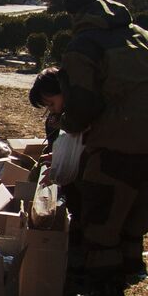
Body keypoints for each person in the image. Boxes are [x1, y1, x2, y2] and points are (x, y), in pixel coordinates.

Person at [56, 0, 148, 296]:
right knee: (133, 220)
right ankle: (128, 274)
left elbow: (83, 105)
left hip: (120, 143)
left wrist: (64, 128)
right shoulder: (144, 36)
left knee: (102, 223)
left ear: (73, 12)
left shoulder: (84, 45)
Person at [29, 67, 88, 279]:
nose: (51, 110)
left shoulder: (80, 116)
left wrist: (60, 163)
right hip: (68, 173)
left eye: (52, 103)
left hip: (84, 174)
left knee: (81, 205)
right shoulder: (55, 119)